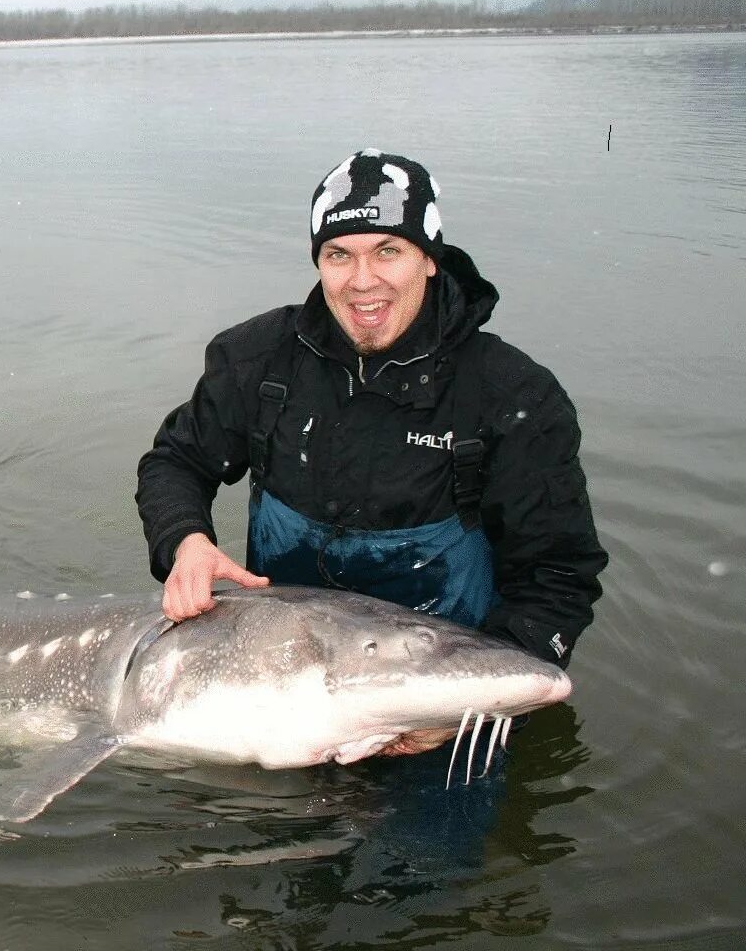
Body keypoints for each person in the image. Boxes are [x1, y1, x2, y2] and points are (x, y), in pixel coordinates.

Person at [136, 149, 606, 756]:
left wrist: (463, 710)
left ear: (429, 260)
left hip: (439, 685)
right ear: (319, 263)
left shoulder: (512, 395)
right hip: (279, 675)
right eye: (339, 255)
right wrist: (186, 541)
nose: (363, 281)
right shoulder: (259, 360)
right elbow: (176, 462)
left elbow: (559, 574)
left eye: (388, 251)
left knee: (432, 846)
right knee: (283, 844)